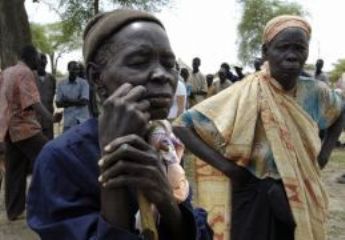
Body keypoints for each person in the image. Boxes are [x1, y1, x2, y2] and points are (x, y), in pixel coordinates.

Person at [28, 9, 212, 240]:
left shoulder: (163, 143)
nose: (162, 75)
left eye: (169, 64)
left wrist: (166, 199)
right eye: (138, 62)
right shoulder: (60, 158)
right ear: (96, 78)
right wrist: (113, 160)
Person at [174, 15, 345, 240]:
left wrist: (324, 154)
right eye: (283, 48)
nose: (292, 56)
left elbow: (340, 111)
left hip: (301, 189)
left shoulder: (316, 92)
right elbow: (182, 127)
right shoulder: (245, 92)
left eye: (299, 48)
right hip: (253, 192)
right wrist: (230, 169)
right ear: (266, 51)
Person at [0, 45, 52, 221]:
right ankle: (47, 204)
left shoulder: (7, 72)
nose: (40, 61)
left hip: (9, 129)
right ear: (30, 58)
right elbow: (33, 101)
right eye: (38, 58)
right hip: (24, 128)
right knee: (50, 156)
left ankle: (14, 211)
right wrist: (51, 118)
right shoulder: (25, 72)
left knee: (14, 171)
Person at [55, 61, 90, 132]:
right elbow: (58, 104)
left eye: (77, 69)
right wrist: (77, 101)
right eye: (73, 69)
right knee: (69, 142)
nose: (76, 71)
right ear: (68, 69)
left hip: (82, 121)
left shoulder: (83, 83)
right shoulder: (61, 84)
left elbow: (84, 102)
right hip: (68, 122)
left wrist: (67, 101)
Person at [36, 53, 58, 139]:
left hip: (48, 115)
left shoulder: (51, 78)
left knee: (49, 140)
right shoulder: (31, 77)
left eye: (44, 62)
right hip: (35, 118)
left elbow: (53, 94)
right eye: (40, 62)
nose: (42, 64)